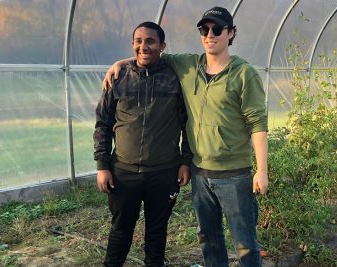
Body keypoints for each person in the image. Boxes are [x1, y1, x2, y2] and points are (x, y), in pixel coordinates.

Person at [102, 7, 268, 267]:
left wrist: (261, 171)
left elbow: (258, 123)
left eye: (217, 29)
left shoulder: (244, 74)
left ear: (231, 33)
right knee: (208, 238)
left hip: (234, 173)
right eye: (204, 29)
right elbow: (149, 54)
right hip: (200, 173)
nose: (210, 35)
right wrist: (121, 63)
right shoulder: (190, 65)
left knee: (244, 242)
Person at [93, 21, 192, 267]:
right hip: (123, 172)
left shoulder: (175, 79)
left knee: (157, 231)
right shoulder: (118, 78)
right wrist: (102, 165)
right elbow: (103, 124)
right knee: (120, 230)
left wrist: (185, 161)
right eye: (138, 41)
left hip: (164, 172)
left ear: (162, 46)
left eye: (150, 41)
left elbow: (188, 124)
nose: (143, 46)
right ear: (132, 45)